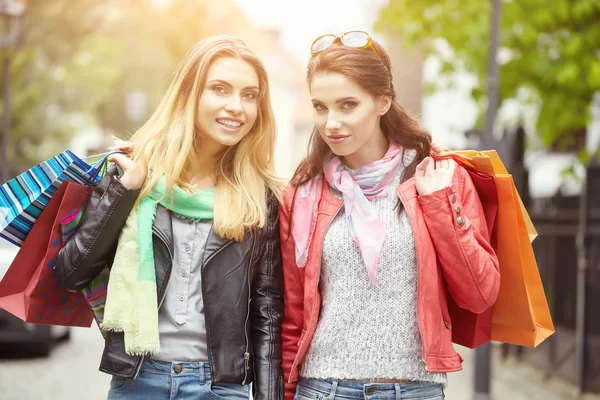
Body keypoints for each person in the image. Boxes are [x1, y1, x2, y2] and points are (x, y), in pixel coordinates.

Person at [54, 35, 284, 400]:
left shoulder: (259, 195)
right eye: (220, 89)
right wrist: (124, 191)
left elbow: (267, 315)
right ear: (190, 94)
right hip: (139, 381)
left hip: (221, 387)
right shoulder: (136, 170)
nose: (236, 106)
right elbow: (71, 273)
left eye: (249, 95)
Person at [279, 31, 500, 400]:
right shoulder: (303, 193)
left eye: (347, 105)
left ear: (383, 101)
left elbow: (480, 294)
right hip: (322, 388)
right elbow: (291, 315)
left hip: (416, 389)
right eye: (320, 106)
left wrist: (441, 205)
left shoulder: (438, 176)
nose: (330, 122)